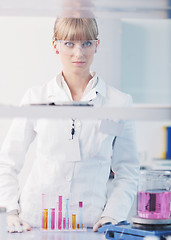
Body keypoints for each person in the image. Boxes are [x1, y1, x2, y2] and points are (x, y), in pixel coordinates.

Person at [0, 17, 139, 233]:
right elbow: (7, 161)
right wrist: (11, 210)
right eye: (69, 43)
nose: (79, 53)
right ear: (55, 45)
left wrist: (113, 214)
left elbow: (128, 170)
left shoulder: (118, 102)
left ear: (97, 45)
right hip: (35, 222)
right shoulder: (36, 97)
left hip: (90, 224)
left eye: (86, 43)